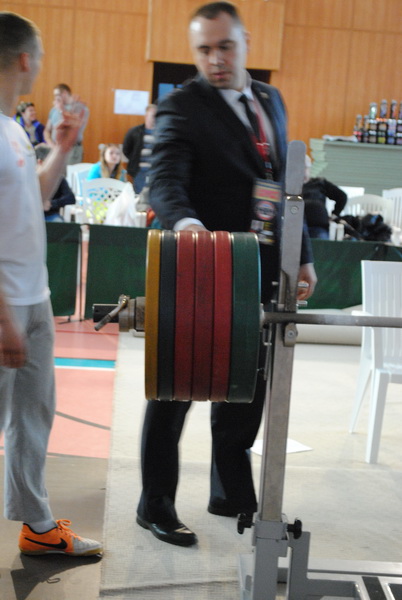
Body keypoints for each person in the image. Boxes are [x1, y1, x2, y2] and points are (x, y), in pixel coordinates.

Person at [136, 1, 317, 548]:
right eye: (204, 50)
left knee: (248, 384)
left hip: (261, 267)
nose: (215, 59)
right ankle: (155, 503)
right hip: (200, 270)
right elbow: (164, 179)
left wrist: (301, 255)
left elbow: (285, 185)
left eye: (225, 47)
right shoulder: (182, 106)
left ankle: (231, 492)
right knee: (175, 388)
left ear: (246, 43)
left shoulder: (271, 99)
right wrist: (189, 228)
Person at [0, 11, 102, 556]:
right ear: (24, 59)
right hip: (6, 307)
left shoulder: (15, 129)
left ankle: (37, 527)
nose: (40, 66)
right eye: (38, 57)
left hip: (33, 299)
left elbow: (36, 196)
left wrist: (62, 148)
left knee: (33, 418)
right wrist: (4, 319)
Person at [302, 155, 347, 239]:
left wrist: (334, 215)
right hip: (294, 226)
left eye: (305, 167)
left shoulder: (319, 183)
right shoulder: (289, 185)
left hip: (317, 227)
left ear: (309, 168)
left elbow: (342, 197)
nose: (303, 171)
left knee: (320, 239)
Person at [44, 82, 89, 164]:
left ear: (65, 93)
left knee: (69, 172)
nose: (55, 98)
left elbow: (73, 126)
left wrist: (61, 110)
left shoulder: (80, 107)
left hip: (72, 150)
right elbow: (47, 130)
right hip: (55, 148)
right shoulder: (54, 109)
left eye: (57, 95)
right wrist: (51, 145)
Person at [35, 144, 76, 222]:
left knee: (58, 222)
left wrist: (51, 203)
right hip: (32, 216)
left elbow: (70, 198)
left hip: (51, 215)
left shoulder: (58, 178)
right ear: (40, 162)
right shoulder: (28, 178)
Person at [122, 104, 156, 193]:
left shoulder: (161, 133)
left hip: (155, 171)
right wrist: (135, 158)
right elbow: (126, 150)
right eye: (153, 116)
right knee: (139, 196)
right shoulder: (134, 132)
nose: (155, 118)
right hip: (139, 171)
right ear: (146, 116)